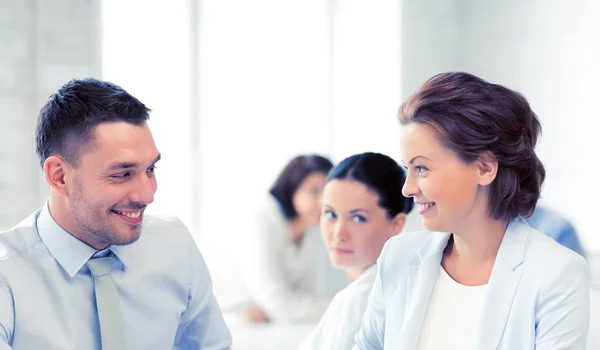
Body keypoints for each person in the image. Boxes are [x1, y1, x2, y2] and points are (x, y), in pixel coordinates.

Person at [354, 72, 589, 349]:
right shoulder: (398, 257)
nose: (407, 188)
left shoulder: (555, 273)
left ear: (485, 168)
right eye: (408, 169)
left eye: (422, 168)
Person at [0, 78, 232, 349]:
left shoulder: (175, 246)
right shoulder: (7, 273)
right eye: (122, 174)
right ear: (59, 176)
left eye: (150, 170)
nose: (147, 195)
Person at [299, 152, 413, 350]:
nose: (338, 233)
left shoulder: (363, 298)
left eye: (358, 218)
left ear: (396, 224)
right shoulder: (377, 288)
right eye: (330, 214)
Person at [221, 155, 334, 324]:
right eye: (314, 191)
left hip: (273, 324)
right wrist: (340, 307)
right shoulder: (262, 222)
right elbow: (279, 306)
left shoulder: (312, 229)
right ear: (292, 189)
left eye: (329, 192)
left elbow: (310, 295)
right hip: (234, 318)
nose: (323, 202)